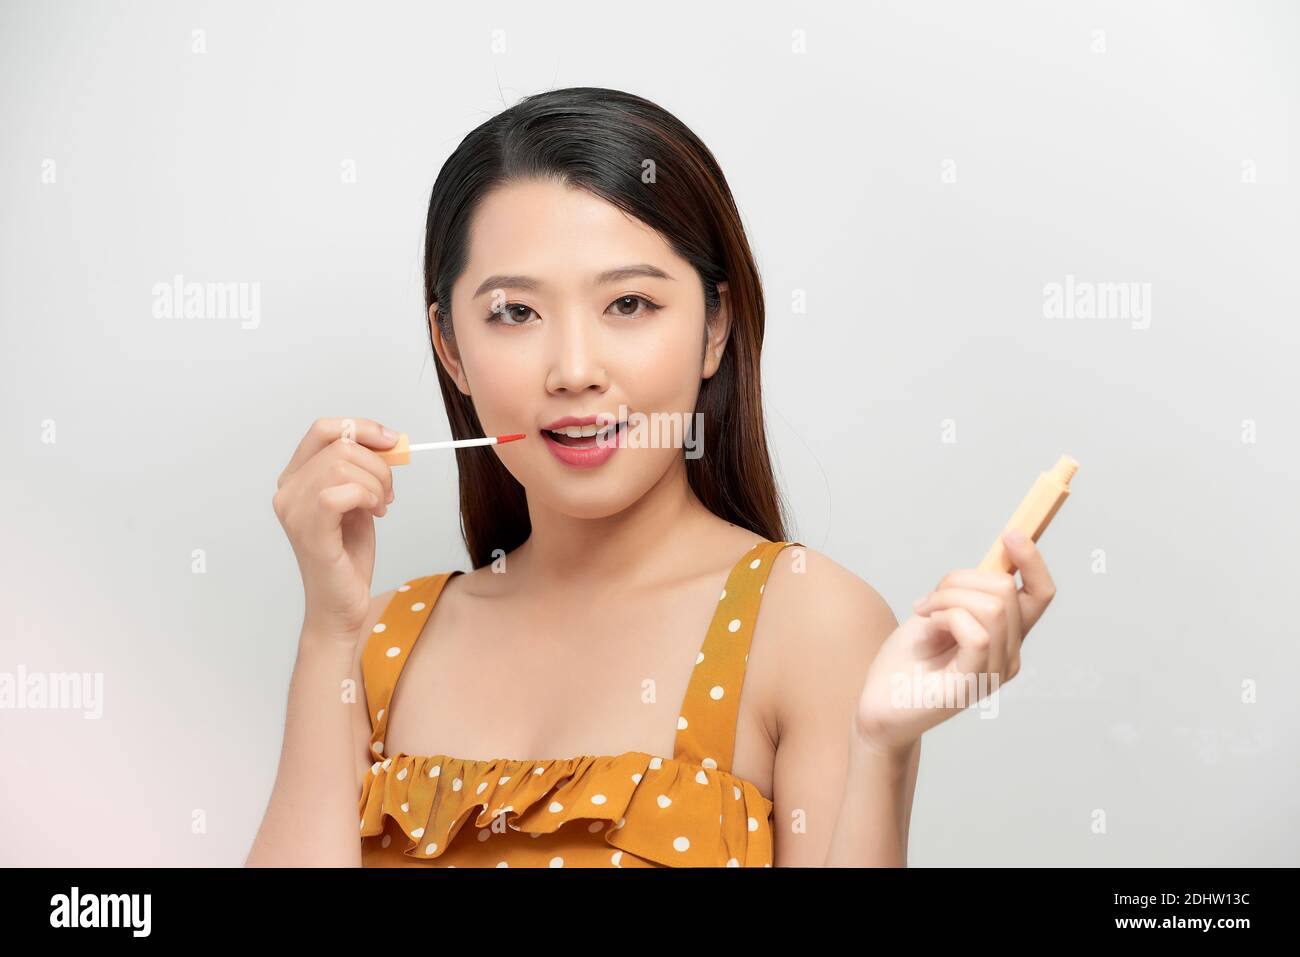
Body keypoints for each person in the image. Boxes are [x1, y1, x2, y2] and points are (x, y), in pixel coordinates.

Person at [245, 87, 1057, 868]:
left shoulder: (810, 622)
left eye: (629, 304)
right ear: (451, 348)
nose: (572, 370)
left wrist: (882, 748)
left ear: (716, 329)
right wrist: (328, 633)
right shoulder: (373, 643)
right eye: (515, 314)